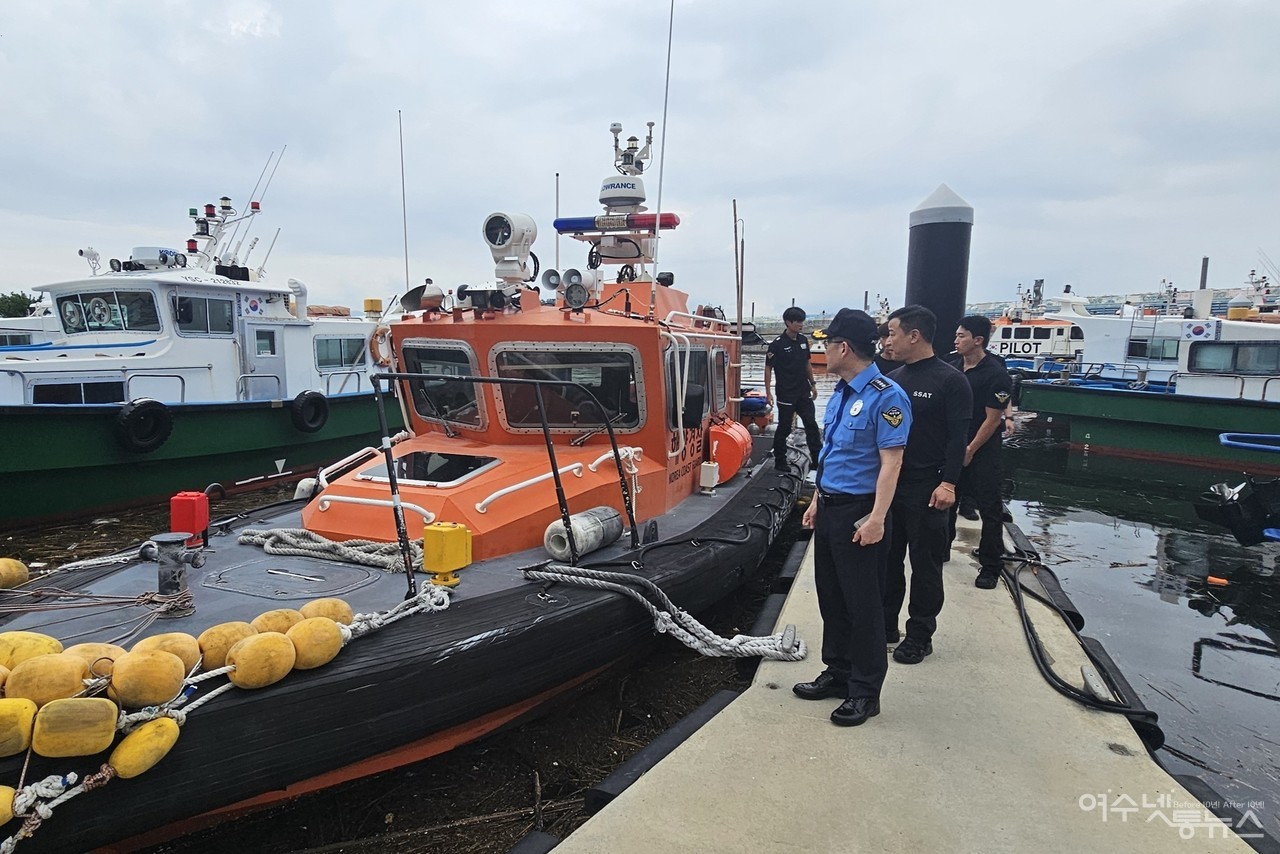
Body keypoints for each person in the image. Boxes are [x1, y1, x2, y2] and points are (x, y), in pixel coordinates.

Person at [792, 308, 910, 726]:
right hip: (831, 509)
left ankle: (865, 691)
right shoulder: (842, 392)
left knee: (863, 606)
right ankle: (838, 671)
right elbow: (833, 455)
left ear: (843, 348)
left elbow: (892, 463)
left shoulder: (887, 395)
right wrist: (817, 500)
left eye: (827, 344)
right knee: (833, 598)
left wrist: (877, 518)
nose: (823, 351)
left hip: (861, 513)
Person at [881, 305, 972, 664]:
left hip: (928, 486)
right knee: (887, 560)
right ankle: (886, 624)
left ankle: (920, 634)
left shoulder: (951, 380)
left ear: (914, 335)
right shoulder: (893, 378)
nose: (888, 341)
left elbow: (958, 438)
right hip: (893, 485)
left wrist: (949, 483)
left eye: (893, 333)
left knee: (925, 565)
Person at [948, 315, 1014, 589]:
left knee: (990, 508)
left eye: (961, 336)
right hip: (954, 445)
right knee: (947, 500)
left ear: (978, 340)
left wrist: (971, 449)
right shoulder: (952, 367)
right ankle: (941, 546)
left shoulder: (996, 374)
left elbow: (993, 419)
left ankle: (990, 565)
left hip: (983, 449)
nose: (956, 340)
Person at [764, 306, 821, 472]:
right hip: (786, 392)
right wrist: (768, 392)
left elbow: (807, 363)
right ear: (788, 323)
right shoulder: (777, 345)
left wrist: (813, 384)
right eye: (797, 321)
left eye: (802, 321)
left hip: (803, 391)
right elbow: (768, 368)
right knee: (785, 426)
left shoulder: (803, 341)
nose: (801, 324)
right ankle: (780, 461)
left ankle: (817, 460)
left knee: (811, 424)